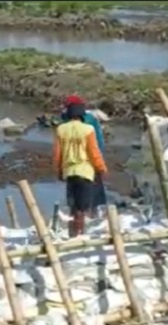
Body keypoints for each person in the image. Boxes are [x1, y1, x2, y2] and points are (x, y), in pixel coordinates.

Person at [53, 102, 108, 237]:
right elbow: (94, 153)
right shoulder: (88, 130)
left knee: (73, 205)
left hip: (69, 172)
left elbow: (57, 154)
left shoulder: (61, 130)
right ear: (82, 115)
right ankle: (79, 234)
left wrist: (59, 170)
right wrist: (101, 169)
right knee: (82, 208)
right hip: (85, 171)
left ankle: (72, 233)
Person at [61, 95, 107, 218]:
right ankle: (91, 216)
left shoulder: (64, 124)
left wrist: (59, 168)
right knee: (92, 193)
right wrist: (101, 165)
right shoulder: (90, 121)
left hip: (70, 166)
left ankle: (76, 221)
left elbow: (59, 150)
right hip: (88, 165)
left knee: (74, 198)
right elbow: (98, 144)